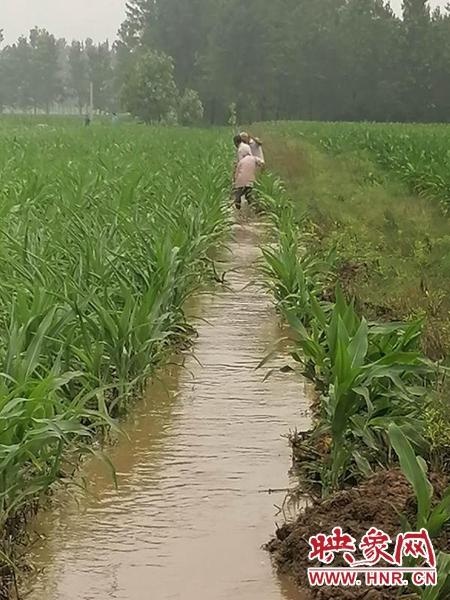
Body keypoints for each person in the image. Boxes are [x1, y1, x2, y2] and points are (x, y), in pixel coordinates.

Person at [233, 145, 265, 210]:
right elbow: (262, 163)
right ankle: (255, 209)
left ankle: (238, 210)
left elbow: (236, 174)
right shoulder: (254, 158)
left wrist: (234, 183)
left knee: (238, 195)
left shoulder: (241, 162)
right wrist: (261, 171)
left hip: (240, 182)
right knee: (249, 196)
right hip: (250, 181)